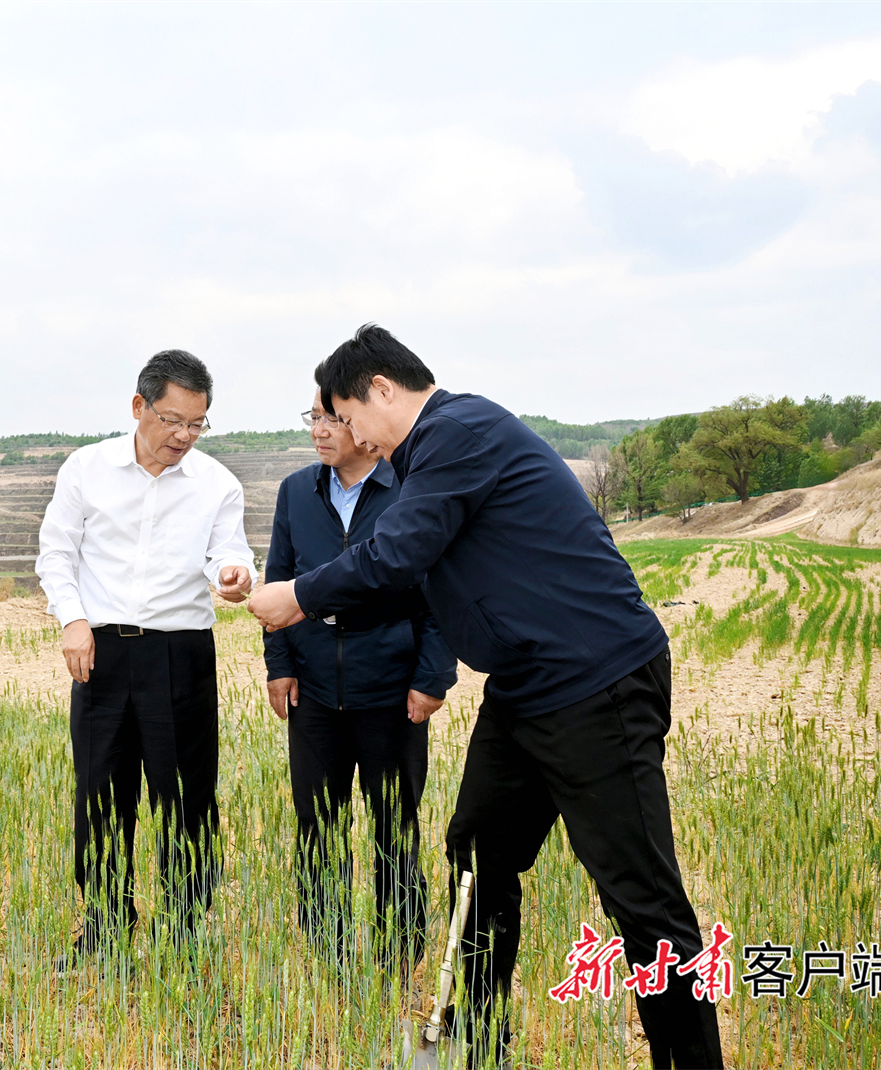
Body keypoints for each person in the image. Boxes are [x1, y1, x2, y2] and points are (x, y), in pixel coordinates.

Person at [249, 325, 724, 1069]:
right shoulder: (426, 456)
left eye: (345, 413)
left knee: (642, 897)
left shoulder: (458, 431)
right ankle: (476, 1036)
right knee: (477, 853)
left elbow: (399, 553)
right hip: (526, 689)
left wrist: (299, 597)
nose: (346, 431)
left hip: (596, 680)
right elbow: (405, 568)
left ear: (381, 390)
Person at [36, 349, 255, 970]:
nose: (183, 436)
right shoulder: (86, 468)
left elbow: (226, 553)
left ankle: (184, 927)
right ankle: (105, 924)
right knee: (101, 791)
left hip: (180, 653)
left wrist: (234, 575)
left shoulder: (217, 484)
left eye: (197, 424)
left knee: (188, 794)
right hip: (100, 651)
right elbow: (57, 553)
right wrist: (73, 620)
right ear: (139, 407)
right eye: (172, 420)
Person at [263, 389, 457, 972]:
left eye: (331, 419)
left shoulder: (406, 488)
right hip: (315, 691)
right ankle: (330, 959)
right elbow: (279, 580)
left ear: (361, 423)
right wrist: (280, 665)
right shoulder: (296, 491)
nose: (319, 431)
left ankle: (400, 957)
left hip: (392, 692)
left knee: (395, 829)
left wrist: (431, 677)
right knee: (318, 828)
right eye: (313, 419)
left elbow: (437, 594)